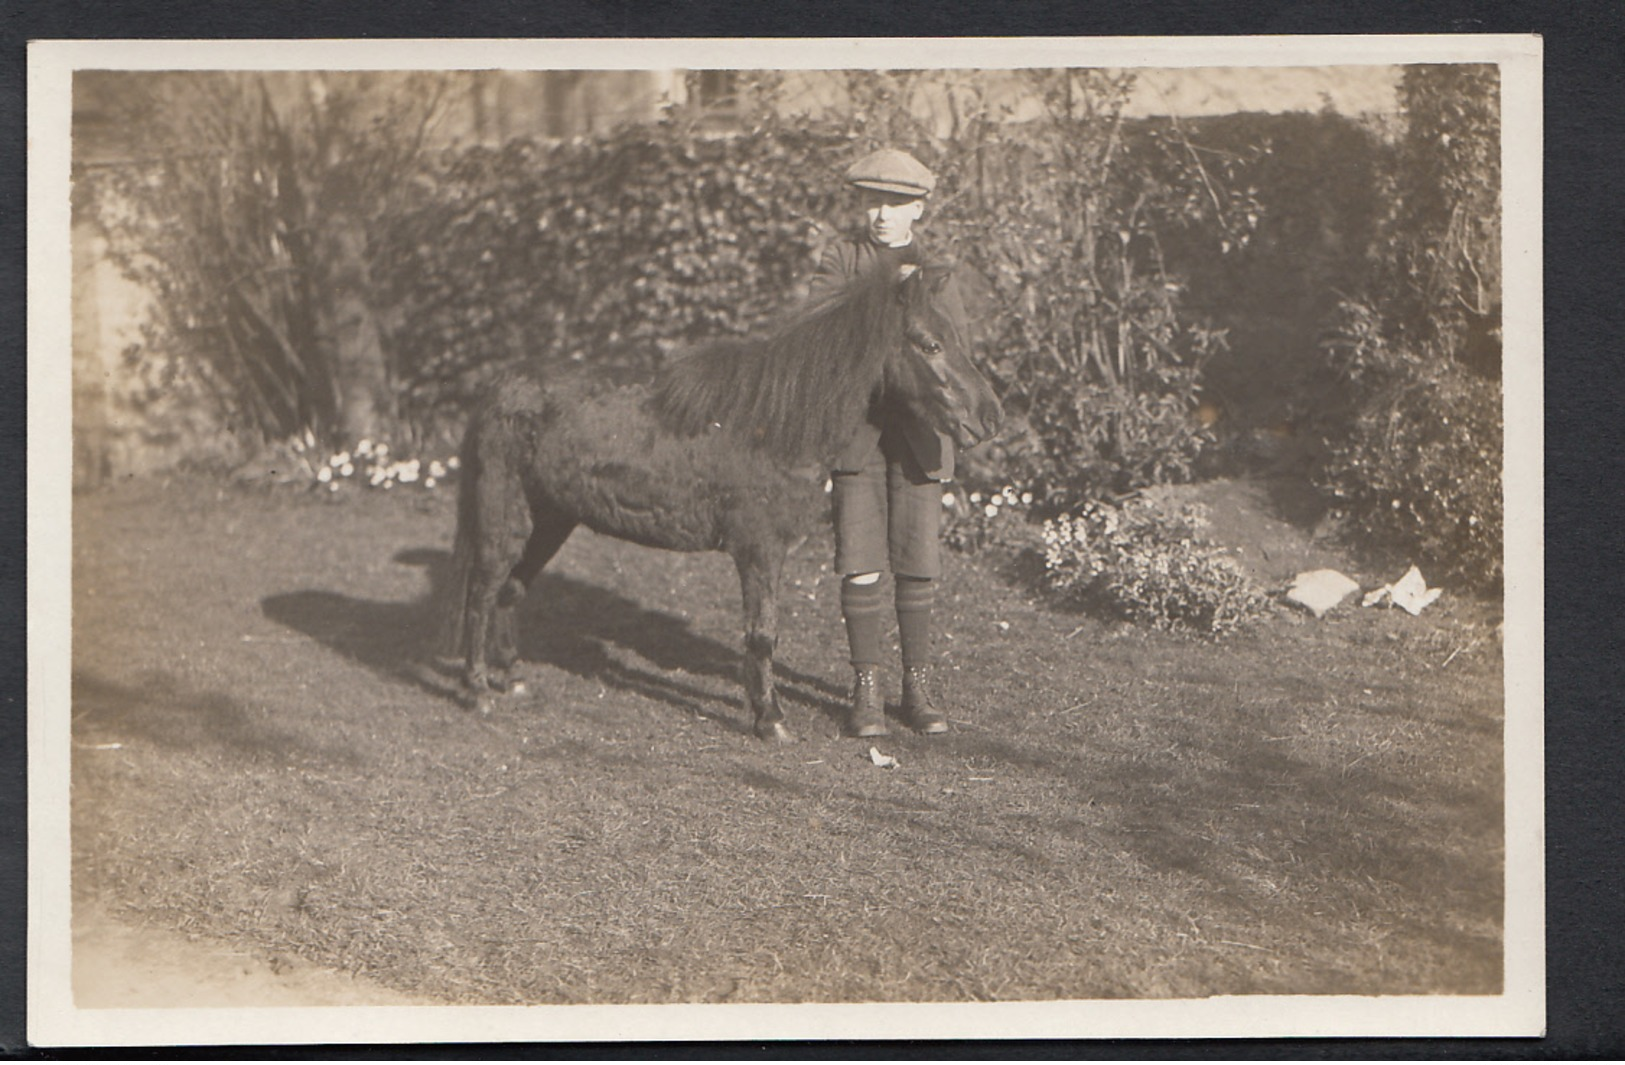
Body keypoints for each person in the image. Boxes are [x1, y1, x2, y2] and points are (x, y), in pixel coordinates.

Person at [805, 147, 973, 738]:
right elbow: (820, 341)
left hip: (920, 437)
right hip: (856, 435)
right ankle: (866, 687)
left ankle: (917, 685)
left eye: (897, 203)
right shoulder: (842, 261)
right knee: (859, 559)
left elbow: (952, 358)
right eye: (873, 200)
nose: (882, 214)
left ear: (919, 210)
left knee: (917, 560)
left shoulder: (938, 275)